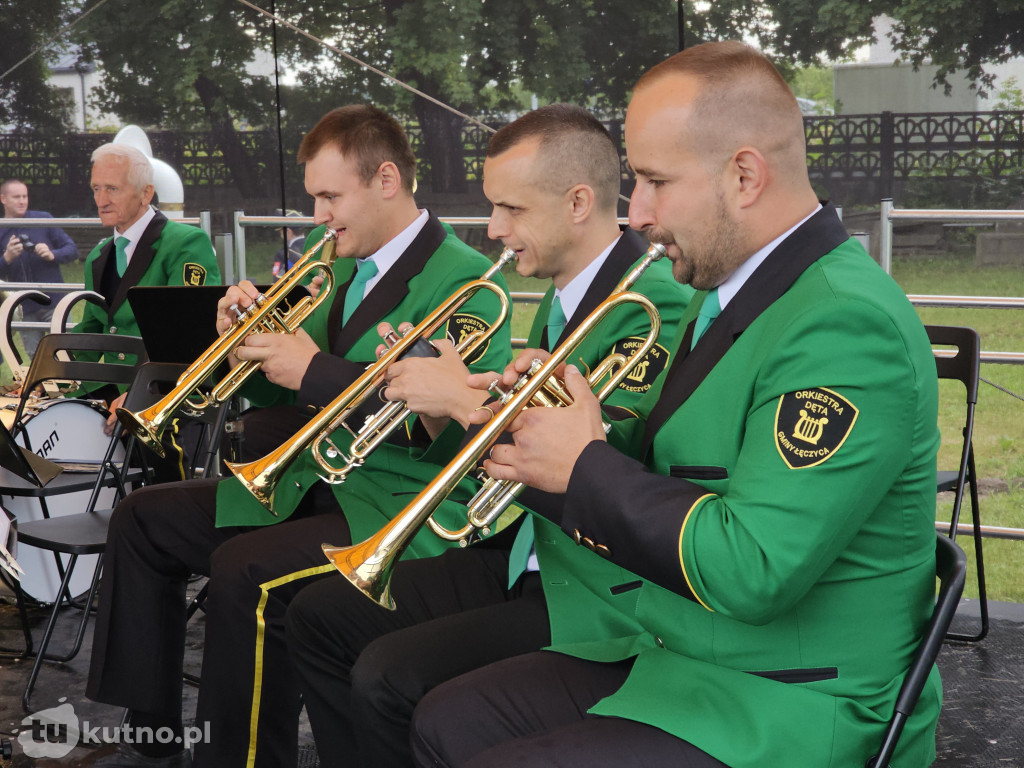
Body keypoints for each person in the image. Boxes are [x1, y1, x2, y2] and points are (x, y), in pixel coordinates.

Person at [410, 41, 942, 768]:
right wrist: (547, 419)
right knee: (445, 721)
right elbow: (667, 466)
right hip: (691, 654)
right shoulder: (729, 291)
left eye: (657, 181)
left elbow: (753, 567)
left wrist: (585, 464)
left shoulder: (845, 322)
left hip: (793, 701)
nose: (637, 213)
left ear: (745, 176)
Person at [82, 104, 511, 768]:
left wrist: (312, 368)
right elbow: (285, 395)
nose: (317, 216)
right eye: (315, 197)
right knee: (141, 519)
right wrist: (246, 350)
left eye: (330, 197)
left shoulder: (466, 280)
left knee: (244, 573)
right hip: (310, 478)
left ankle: (242, 758)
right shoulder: (339, 263)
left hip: (394, 500)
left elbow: (440, 421)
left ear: (386, 181)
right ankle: (152, 735)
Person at [285, 104, 693, 768]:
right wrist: (439, 406)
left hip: (594, 588)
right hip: (524, 551)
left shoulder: (654, 305)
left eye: (511, 209)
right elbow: (499, 457)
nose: (494, 228)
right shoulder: (566, 295)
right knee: (319, 617)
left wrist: (464, 403)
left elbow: (607, 467)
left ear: (578, 204)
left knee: (387, 677)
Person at [77, 142, 221, 430]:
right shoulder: (98, 256)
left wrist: (140, 394)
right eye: (96, 188)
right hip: (113, 403)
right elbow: (91, 332)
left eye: (112, 189)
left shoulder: (185, 243)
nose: (101, 200)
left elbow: (189, 333)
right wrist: (47, 381)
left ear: (146, 194)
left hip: (171, 404)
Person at [0, 178, 79, 356]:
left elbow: (72, 249)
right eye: (16, 197)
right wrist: (6, 258)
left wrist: (53, 254)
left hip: (54, 302)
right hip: (23, 307)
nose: (22, 201)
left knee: (66, 354)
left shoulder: (43, 219)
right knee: (36, 360)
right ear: (3, 199)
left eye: (25, 196)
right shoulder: (0, 228)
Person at [270, 209, 305, 281]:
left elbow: (278, 280)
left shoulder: (283, 254)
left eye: (281, 232)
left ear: (287, 231)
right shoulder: (314, 246)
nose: (281, 235)